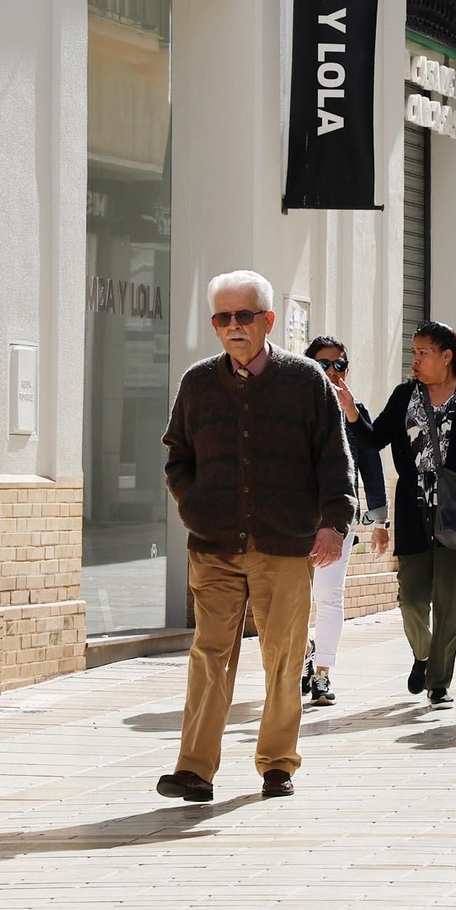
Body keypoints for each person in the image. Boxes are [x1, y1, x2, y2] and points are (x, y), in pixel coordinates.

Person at [156, 270, 354, 802]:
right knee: (209, 653)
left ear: (268, 320)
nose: (233, 327)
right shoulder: (198, 382)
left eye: (244, 316)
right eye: (222, 317)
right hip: (214, 544)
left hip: (284, 544)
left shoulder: (306, 380)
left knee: (283, 657)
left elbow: (334, 457)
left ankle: (276, 762)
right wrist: (193, 503)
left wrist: (334, 523)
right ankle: (195, 769)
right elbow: (178, 454)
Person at [343, 321, 456, 710]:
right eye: (413, 352)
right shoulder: (406, 394)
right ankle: (424, 655)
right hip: (413, 509)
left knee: (450, 601)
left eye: (422, 353)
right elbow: (376, 439)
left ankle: (439, 682)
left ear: (446, 355)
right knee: (411, 600)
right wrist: (354, 414)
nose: (415, 360)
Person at [301, 337, 390, 707]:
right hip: (296, 518)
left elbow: (370, 463)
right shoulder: (295, 407)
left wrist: (380, 521)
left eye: (340, 364)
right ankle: (306, 649)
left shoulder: (355, 411)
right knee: (293, 598)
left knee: (330, 595)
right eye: (323, 364)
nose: (333, 371)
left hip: (339, 516)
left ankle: (322, 672)